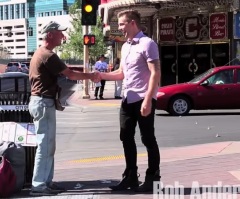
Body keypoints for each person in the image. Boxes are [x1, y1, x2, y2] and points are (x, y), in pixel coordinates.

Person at [28, 21, 99, 196]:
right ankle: (38, 185)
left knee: (48, 145)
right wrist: (91, 76)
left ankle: (46, 182)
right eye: (60, 33)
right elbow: (70, 74)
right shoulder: (47, 55)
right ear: (50, 34)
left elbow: (66, 73)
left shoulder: (42, 53)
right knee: (45, 146)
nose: (63, 36)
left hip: (43, 102)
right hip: (43, 103)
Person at [98, 10, 161, 192]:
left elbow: (155, 73)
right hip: (127, 99)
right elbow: (121, 74)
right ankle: (131, 176)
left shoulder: (147, 44)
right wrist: (100, 75)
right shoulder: (125, 47)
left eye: (122, 24)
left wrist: (148, 100)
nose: (120, 28)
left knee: (148, 138)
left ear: (133, 23)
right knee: (125, 137)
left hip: (143, 98)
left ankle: (153, 179)